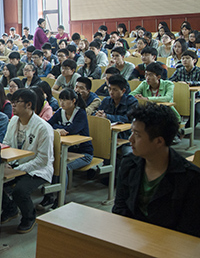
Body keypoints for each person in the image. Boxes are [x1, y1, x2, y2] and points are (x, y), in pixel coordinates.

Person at [113, 103, 200, 237]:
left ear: (159, 141)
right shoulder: (129, 164)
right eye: (131, 132)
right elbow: (120, 209)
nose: (130, 139)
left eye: (137, 135)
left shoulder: (190, 178)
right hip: (132, 237)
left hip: (169, 243)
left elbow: (188, 230)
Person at [2, 88, 54, 234]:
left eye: (16, 102)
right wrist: (7, 163)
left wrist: (18, 169)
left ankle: (29, 217)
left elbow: (43, 160)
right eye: (12, 102)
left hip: (37, 169)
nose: (12, 105)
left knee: (20, 191)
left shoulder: (43, 128)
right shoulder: (14, 120)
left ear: (29, 105)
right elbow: (6, 143)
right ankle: (10, 209)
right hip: (16, 165)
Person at [41, 89, 94, 209]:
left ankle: (60, 199)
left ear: (73, 101)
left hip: (84, 154)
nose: (62, 102)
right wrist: (59, 129)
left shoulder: (80, 113)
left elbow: (73, 129)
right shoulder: (60, 112)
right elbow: (49, 125)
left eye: (65, 100)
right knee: (52, 162)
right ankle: (49, 196)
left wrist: (58, 128)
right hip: (68, 152)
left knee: (62, 166)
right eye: (60, 99)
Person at [169, 50, 200, 127]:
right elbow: (169, 81)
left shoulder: (198, 71)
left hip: (197, 98)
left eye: (187, 58)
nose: (184, 60)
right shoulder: (179, 70)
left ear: (194, 60)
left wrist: (188, 83)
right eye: (183, 58)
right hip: (181, 97)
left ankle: (187, 129)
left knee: (196, 111)